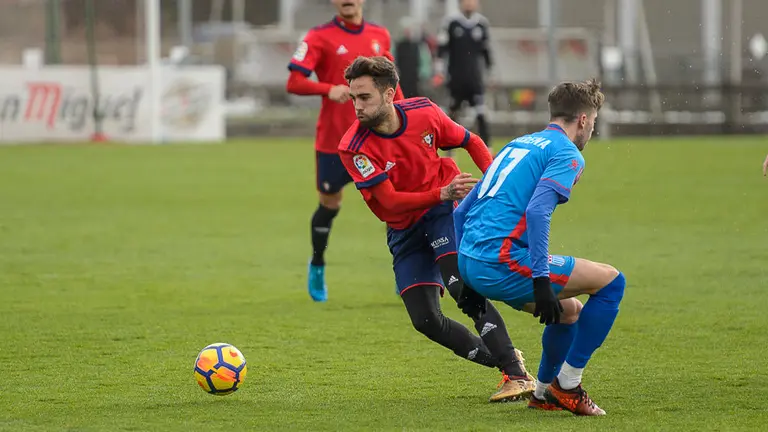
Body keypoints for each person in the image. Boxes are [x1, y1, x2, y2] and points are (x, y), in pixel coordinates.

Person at [338, 55, 535, 402]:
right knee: (425, 320)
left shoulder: (424, 113)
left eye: (364, 97)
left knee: (461, 287)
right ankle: (506, 358)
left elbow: (470, 140)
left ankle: (517, 376)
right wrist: (440, 192)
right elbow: (390, 201)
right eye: (353, 97)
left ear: (389, 94)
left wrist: (492, 189)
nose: (357, 106)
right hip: (404, 227)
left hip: (443, 211)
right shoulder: (353, 146)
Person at [454, 79, 626, 416]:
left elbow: (461, 212)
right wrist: (542, 279)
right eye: (593, 122)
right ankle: (569, 384)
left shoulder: (517, 145)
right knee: (612, 282)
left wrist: (465, 277)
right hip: (500, 260)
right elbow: (537, 210)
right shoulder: (566, 153)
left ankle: (544, 391)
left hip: (472, 259)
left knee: (570, 311)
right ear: (584, 120)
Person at [286, 0, 404, 302]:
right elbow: (294, 81)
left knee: (398, 206)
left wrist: (405, 118)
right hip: (335, 142)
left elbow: (393, 86)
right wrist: (327, 89)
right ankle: (317, 264)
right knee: (330, 204)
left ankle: (407, 271)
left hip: (378, 138)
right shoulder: (318, 36)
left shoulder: (380, 35)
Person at [433, 0, 493, 149]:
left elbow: (486, 53)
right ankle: (447, 148)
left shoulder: (482, 24)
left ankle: (487, 149)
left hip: (475, 79)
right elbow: (441, 50)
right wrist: (439, 72)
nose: (469, 4)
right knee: (451, 114)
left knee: (481, 112)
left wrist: (490, 75)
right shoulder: (451, 23)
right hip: (455, 78)